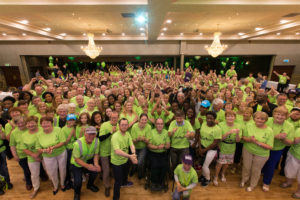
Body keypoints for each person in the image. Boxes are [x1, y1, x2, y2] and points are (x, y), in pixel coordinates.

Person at [262, 106, 294, 191]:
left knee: (271, 166)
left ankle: (266, 182)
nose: (280, 116)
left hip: (277, 149)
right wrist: (276, 136)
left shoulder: (289, 126)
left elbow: (290, 142)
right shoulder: (267, 120)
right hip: (263, 147)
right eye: (278, 114)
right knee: (261, 164)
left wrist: (284, 139)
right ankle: (260, 175)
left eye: (283, 115)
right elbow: (260, 133)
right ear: (274, 114)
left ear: (286, 116)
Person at [241, 111, 274, 192]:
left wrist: (257, 142)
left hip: (261, 154)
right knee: (246, 167)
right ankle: (244, 180)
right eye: (257, 118)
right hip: (248, 150)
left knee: (256, 170)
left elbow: (270, 146)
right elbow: (244, 137)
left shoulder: (269, 131)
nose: (259, 120)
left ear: (266, 120)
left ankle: (252, 185)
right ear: (254, 118)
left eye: (262, 119)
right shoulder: (249, 125)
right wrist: (250, 140)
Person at [36, 116, 67, 195]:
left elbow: (62, 142)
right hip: (48, 156)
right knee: (52, 172)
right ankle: (55, 186)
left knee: (62, 169)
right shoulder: (39, 134)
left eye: (47, 122)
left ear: (51, 123)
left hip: (61, 153)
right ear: (40, 125)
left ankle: (62, 184)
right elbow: (38, 148)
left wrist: (53, 147)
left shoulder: (58, 129)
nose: (45, 124)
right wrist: (44, 150)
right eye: (43, 123)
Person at [71, 126, 101, 200]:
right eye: (89, 134)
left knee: (95, 172)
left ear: (95, 135)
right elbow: (77, 159)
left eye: (93, 134)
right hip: (77, 163)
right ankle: (77, 193)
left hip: (89, 160)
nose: (91, 136)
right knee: (78, 181)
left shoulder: (97, 141)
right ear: (85, 134)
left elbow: (96, 154)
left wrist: (96, 164)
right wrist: (88, 166)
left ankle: (90, 185)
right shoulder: (77, 144)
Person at [111, 118, 137, 200]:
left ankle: (125, 182)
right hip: (117, 163)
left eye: (126, 125)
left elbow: (131, 145)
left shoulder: (128, 134)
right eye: (122, 125)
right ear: (119, 125)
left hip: (125, 160)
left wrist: (134, 154)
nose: (124, 126)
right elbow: (117, 151)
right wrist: (130, 156)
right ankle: (116, 198)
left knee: (125, 174)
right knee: (118, 181)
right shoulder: (115, 136)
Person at [213, 110, 241, 186]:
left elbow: (238, 140)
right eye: (228, 116)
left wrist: (238, 133)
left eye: (232, 116)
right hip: (222, 147)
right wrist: (229, 132)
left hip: (232, 147)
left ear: (235, 117)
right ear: (225, 117)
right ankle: (215, 177)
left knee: (226, 164)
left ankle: (222, 174)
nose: (230, 118)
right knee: (219, 164)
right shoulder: (221, 125)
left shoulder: (238, 125)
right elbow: (220, 138)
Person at [198, 111, 222, 187]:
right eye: (207, 118)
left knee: (205, 166)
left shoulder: (217, 129)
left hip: (211, 149)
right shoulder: (203, 124)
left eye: (211, 118)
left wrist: (204, 150)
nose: (209, 120)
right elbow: (200, 136)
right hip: (202, 147)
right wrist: (199, 148)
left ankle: (208, 179)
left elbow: (215, 143)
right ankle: (203, 176)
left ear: (215, 119)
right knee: (202, 163)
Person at [9, 116, 32, 190]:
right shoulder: (14, 132)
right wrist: (15, 155)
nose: (20, 124)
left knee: (34, 169)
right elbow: (12, 145)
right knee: (26, 170)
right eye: (18, 123)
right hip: (21, 155)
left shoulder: (30, 129)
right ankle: (28, 182)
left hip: (32, 154)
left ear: (26, 122)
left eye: (22, 122)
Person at [99, 111, 119, 197]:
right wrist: (110, 132)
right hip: (104, 151)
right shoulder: (104, 125)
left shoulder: (119, 124)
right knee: (106, 170)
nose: (114, 119)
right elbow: (100, 138)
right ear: (110, 117)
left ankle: (117, 184)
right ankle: (107, 186)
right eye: (113, 118)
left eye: (116, 118)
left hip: (115, 151)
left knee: (115, 169)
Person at [21, 116, 42, 198]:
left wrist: (38, 154)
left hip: (45, 154)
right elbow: (24, 148)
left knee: (49, 171)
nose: (30, 125)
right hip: (32, 156)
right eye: (28, 123)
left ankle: (53, 183)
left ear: (37, 123)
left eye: (32, 122)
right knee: (34, 174)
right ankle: (36, 188)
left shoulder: (42, 130)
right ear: (26, 125)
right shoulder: (24, 135)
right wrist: (34, 156)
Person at [147, 118, 170, 191]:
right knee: (154, 165)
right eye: (158, 124)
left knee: (164, 165)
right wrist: (158, 147)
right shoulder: (151, 132)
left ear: (163, 125)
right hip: (152, 153)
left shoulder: (166, 132)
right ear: (155, 125)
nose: (160, 125)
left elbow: (168, 145)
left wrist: (164, 146)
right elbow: (149, 145)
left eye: (161, 124)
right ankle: (154, 182)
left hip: (163, 153)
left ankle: (161, 182)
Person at [130, 113, 151, 179]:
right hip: (135, 147)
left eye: (145, 120)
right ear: (139, 119)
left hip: (143, 148)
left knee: (140, 162)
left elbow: (148, 141)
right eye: (142, 119)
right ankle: (133, 169)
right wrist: (137, 139)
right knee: (134, 161)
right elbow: (132, 141)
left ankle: (140, 173)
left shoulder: (148, 127)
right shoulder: (134, 126)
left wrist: (144, 140)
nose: (144, 121)